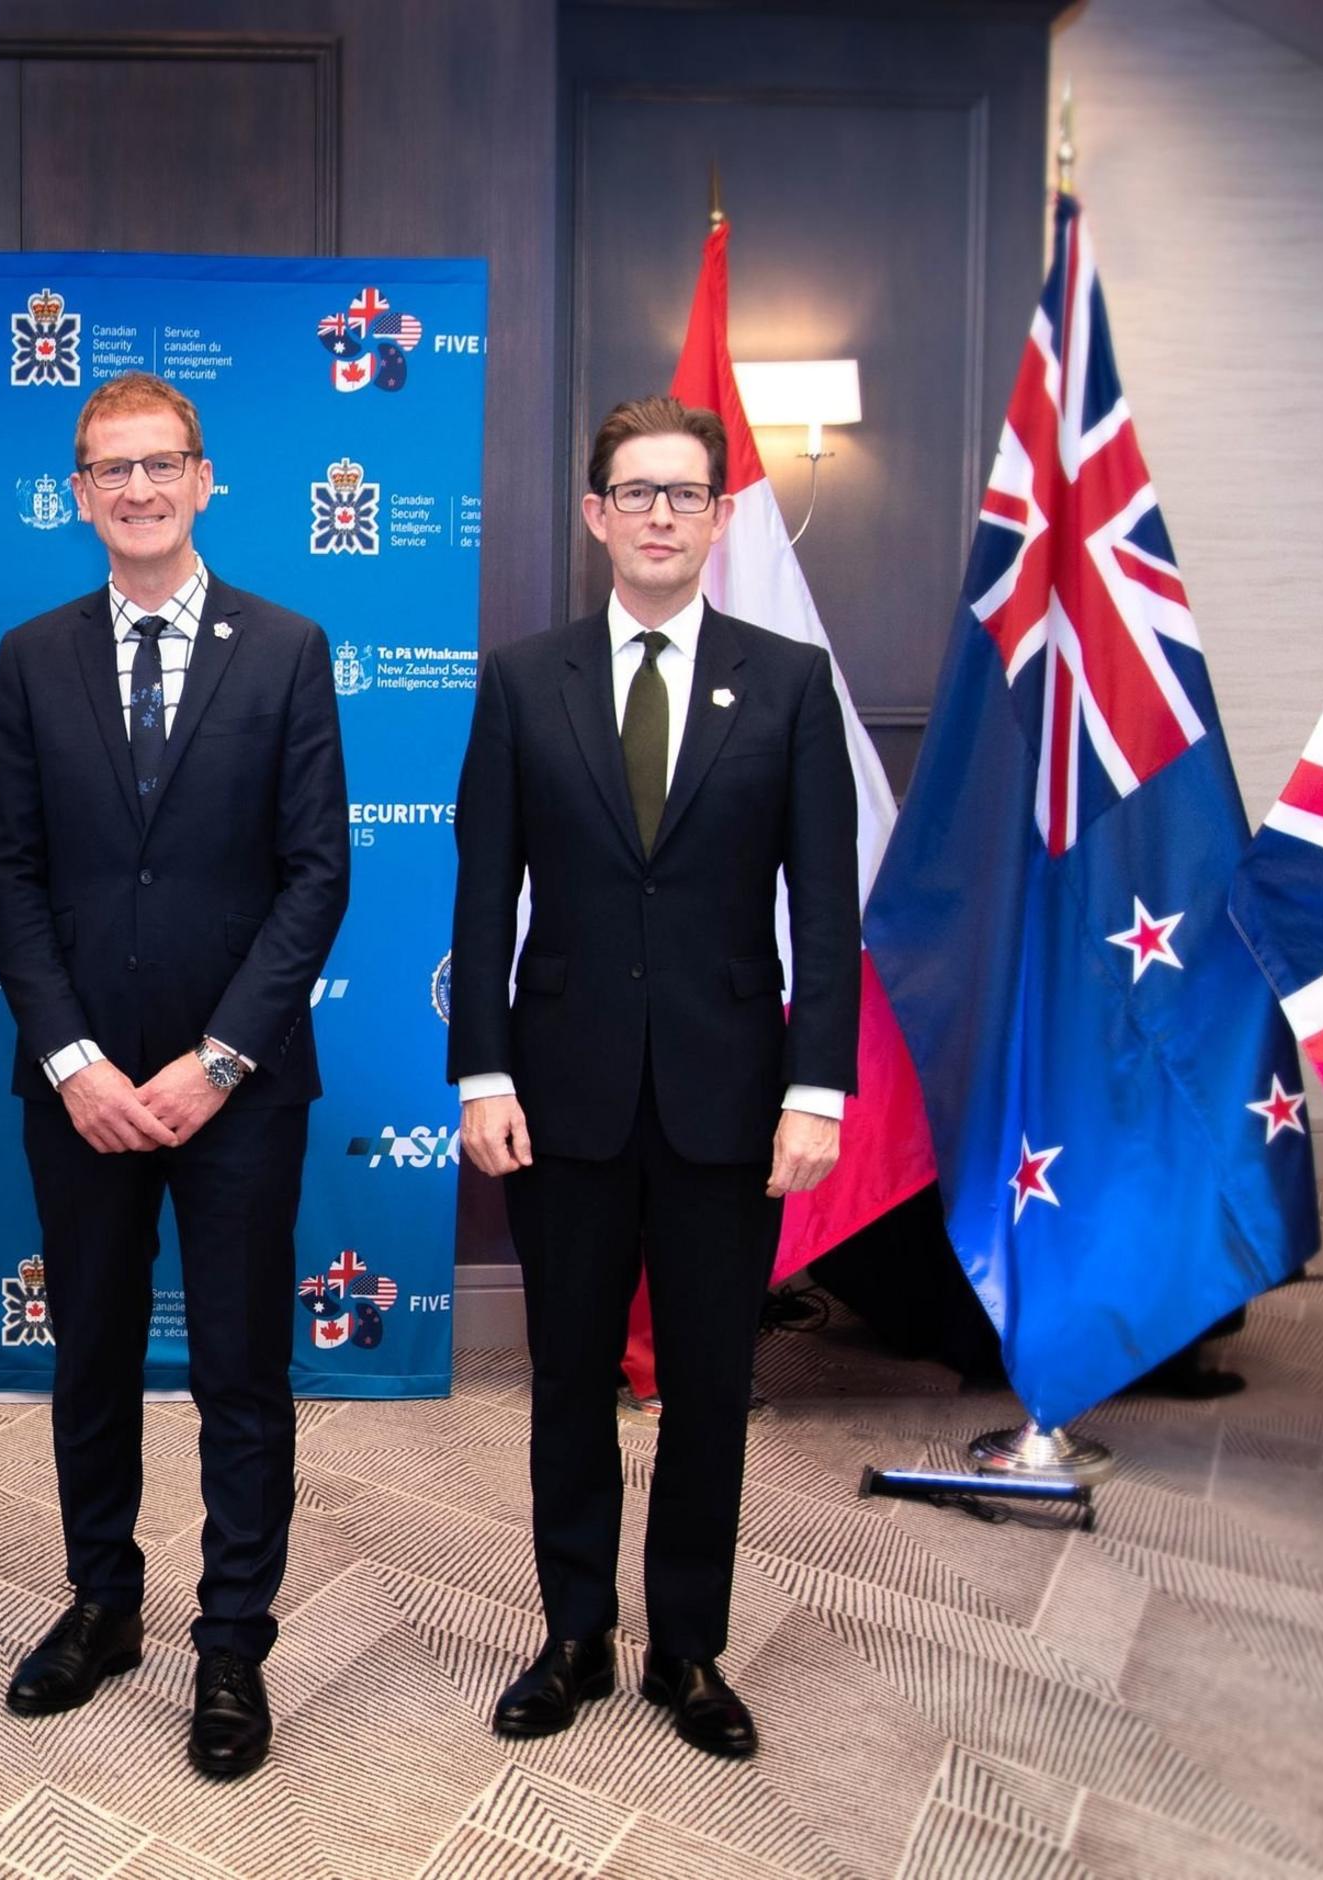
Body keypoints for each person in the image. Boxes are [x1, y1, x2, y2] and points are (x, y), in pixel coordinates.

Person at [450, 394, 859, 1762]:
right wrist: (480, 1073)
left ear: (723, 514)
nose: (664, 515)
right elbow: (480, 899)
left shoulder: (790, 683)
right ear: (596, 515)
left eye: (688, 493)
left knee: (703, 1383)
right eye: (638, 492)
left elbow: (829, 912)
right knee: (566, 1376)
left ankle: (688, 1645)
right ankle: (574, 1634)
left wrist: (819, 1090)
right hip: (557, 1093)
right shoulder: (523, 680)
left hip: (725, 1096)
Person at [0, 371, 349, 1780]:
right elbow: (11, 873)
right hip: (78, 1088)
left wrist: (217, 1059)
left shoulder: (288, 647)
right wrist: (73, 1059)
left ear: (206, 480)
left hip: (239, 1088)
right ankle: (102, 1606)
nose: (135, 489)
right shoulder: (33, 654)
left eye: (160, 464)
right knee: (92, 1358)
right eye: (107, 468)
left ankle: (233, 1643)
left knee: (244, 1373)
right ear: (78, 493)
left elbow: (318, 874)